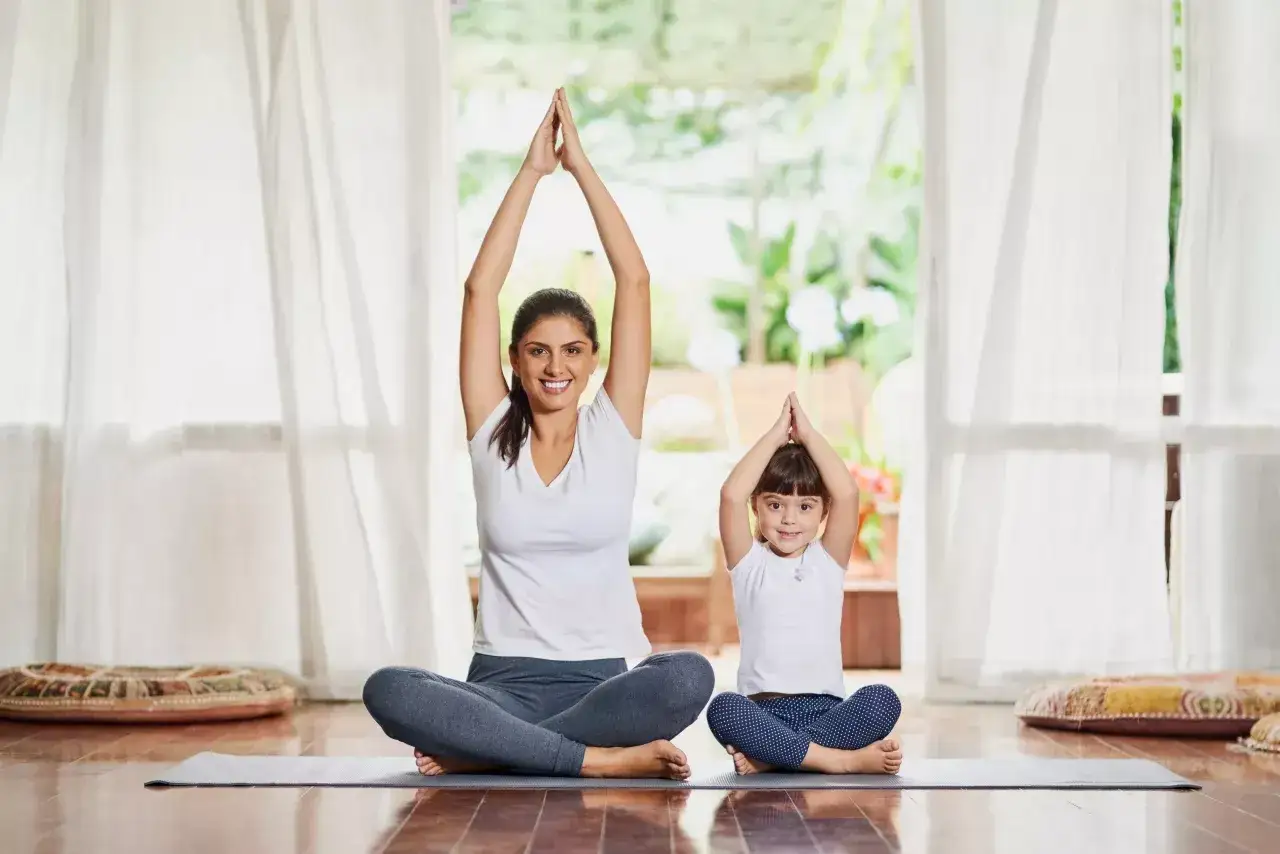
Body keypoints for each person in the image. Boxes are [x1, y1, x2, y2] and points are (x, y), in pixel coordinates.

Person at [362, 89, 714, 780]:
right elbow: (478, 292)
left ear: (592, 360)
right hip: (500, 683)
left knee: (686, 678)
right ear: (515, 360)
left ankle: (498, 751)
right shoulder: (493, 430)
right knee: (389, 689)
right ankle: (586, 762)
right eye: (538, 351)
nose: (556, 366)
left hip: (604, 684)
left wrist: (580, 169)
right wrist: (530, 173)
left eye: (574, 350)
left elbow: (634, 281)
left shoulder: (612, 431)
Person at [707, 392, 903, 775]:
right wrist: (777, 436)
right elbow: (730, 494)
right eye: (775, 504)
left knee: (883, 700)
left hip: (827, 711)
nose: (789, 519)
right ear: (756, 506)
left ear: (824, 511)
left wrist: (809, 435)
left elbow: (847, 493)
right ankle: (835, 761)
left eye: (806, 506)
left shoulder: (827, 561)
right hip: (764, 714)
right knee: (722, 709)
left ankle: (778, 758)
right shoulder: (749, 564)